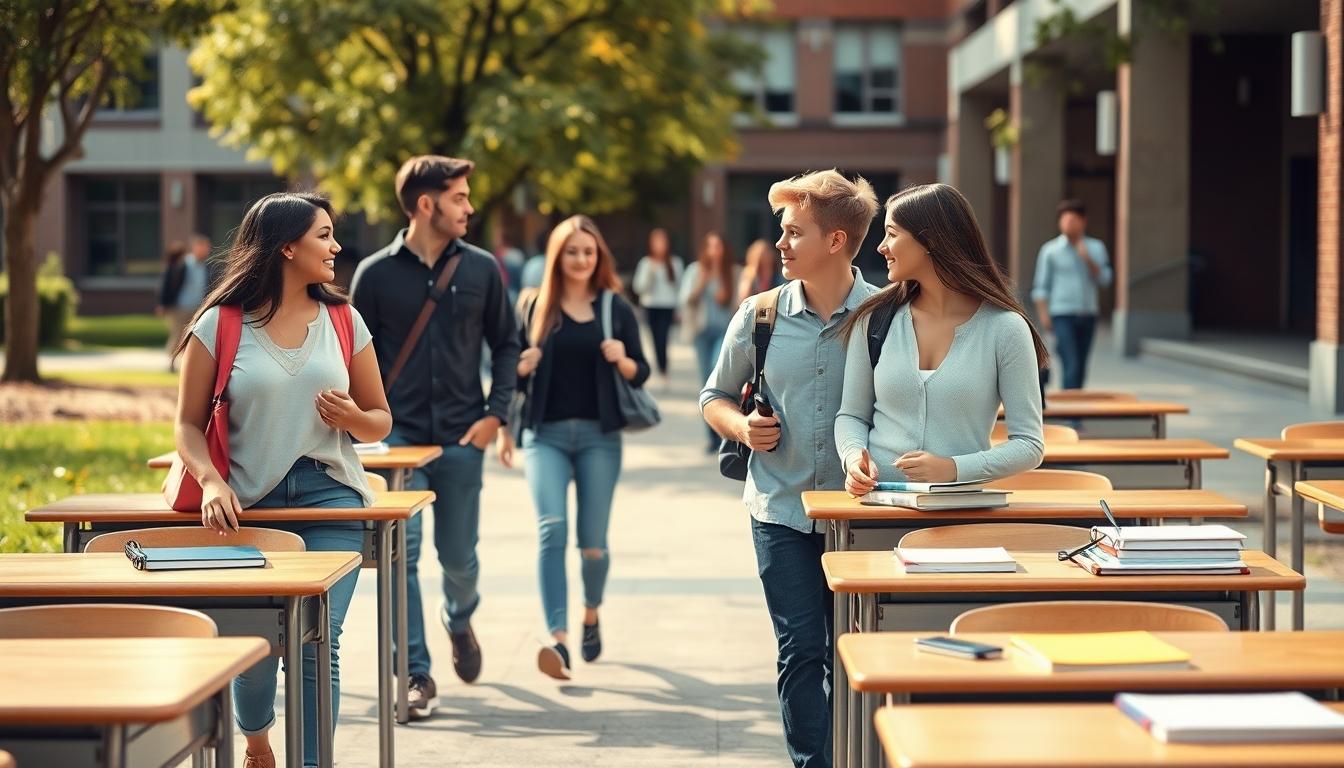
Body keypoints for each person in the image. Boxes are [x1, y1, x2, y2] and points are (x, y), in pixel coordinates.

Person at [173, 192, 391, 768]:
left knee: (320, 640)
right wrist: (212, 482)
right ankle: (258, 741)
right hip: (250, 504)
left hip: (331, 497)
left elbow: (380, 417)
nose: (336, 246)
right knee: (260, 644)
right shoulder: (218, 325)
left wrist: (353, 419)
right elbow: (188, 427)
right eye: (324, 235)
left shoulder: (344, 319)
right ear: (287, 247)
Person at [700, 169, 880, 768]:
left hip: (865, 518)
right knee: (802, 650)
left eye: (793, 232)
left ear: (834, 241)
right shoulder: (760, 315)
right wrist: (741, 428)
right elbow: (713, 397)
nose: (780, 244)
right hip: (780, 510)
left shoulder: (886, 316)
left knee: (861, 652)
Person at [350, 155, 520, 718]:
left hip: (460, 439)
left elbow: (507, 345)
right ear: (427, 205)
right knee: (404, 556)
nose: (469, 207)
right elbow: (352, 359)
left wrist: (496, 415)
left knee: (459, 560)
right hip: (395, 445)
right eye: (460, 198)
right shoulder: (373, 276)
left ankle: (459, 618)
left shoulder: (481, 269)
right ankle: (416, 673)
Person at [501, 215, 651, 680]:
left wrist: (624, 361)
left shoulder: (614, 307)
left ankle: (590, 612)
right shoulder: (532, 306)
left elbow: (641, 371)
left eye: (588, 251)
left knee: (593, 546)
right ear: (557, 257)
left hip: (598, 439)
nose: (581, 259)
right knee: (551, 530)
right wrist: (520, 370)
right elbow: (507, 373)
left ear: (598, 256)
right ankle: (559, 641)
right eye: (572, 251)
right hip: (544, 435)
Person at [836, 183, 1046, 497]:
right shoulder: (873, 318)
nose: (881, 247)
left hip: (960, 511)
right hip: (876, 506)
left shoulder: (1006, 328)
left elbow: (1029, 445)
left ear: (930, 240)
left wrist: (954, 468)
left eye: (892, 234)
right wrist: (853, 458)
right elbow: (851, 415)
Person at [1030, 198, 1112, 391]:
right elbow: (1040, 287)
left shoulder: (1096, 248)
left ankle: (1075, 410)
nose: (1068, 224)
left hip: (1088, 314)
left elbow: (1106, 279)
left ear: (1083, 222)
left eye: (1073, 220)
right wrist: (1045, 317)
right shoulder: (1050, 251)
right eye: (1065, 220)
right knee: (1071, 362)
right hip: (1061, 315)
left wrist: (1088, 260)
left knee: (1081, 366)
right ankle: (1071, 417)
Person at [680, 231, 737, 451]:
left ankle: (726, 432)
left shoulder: (732, 272)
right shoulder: (696, 271)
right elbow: (685, 300)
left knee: (719, 371)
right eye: (710, 246)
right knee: (707, 382)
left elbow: (742, 302)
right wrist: (701, 284)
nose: (714, 251)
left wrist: (728, 296)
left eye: (718, 246)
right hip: (702, 332)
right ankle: (712, 437)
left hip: (725, 332)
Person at [631, 227, 683, 387]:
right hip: (651, 306)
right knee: (654, 339)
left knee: (663, 338)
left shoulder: (675, 263)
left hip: (667, 306)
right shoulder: (646, 263)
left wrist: (679, 309)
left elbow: (680, 288)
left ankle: (664, 369)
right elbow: (638, 288)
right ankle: (661, 368)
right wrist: (650, 274)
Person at [156, 235, 209, 371]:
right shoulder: (182, 264)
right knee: (177, 334)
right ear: (195, 247)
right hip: (180, 306)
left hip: (198, 308)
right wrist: (163, 303)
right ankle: (172, 363)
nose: (205, 250)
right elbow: (167, 282)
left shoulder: (207, 267)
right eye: (202, 247)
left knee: (194, 337)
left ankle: (189, 365)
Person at [737, 237, 785, 302]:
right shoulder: (749, 275)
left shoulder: (779, 276)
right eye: (762, 255)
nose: (766, 258)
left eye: (768, 253)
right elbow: (743, 298)